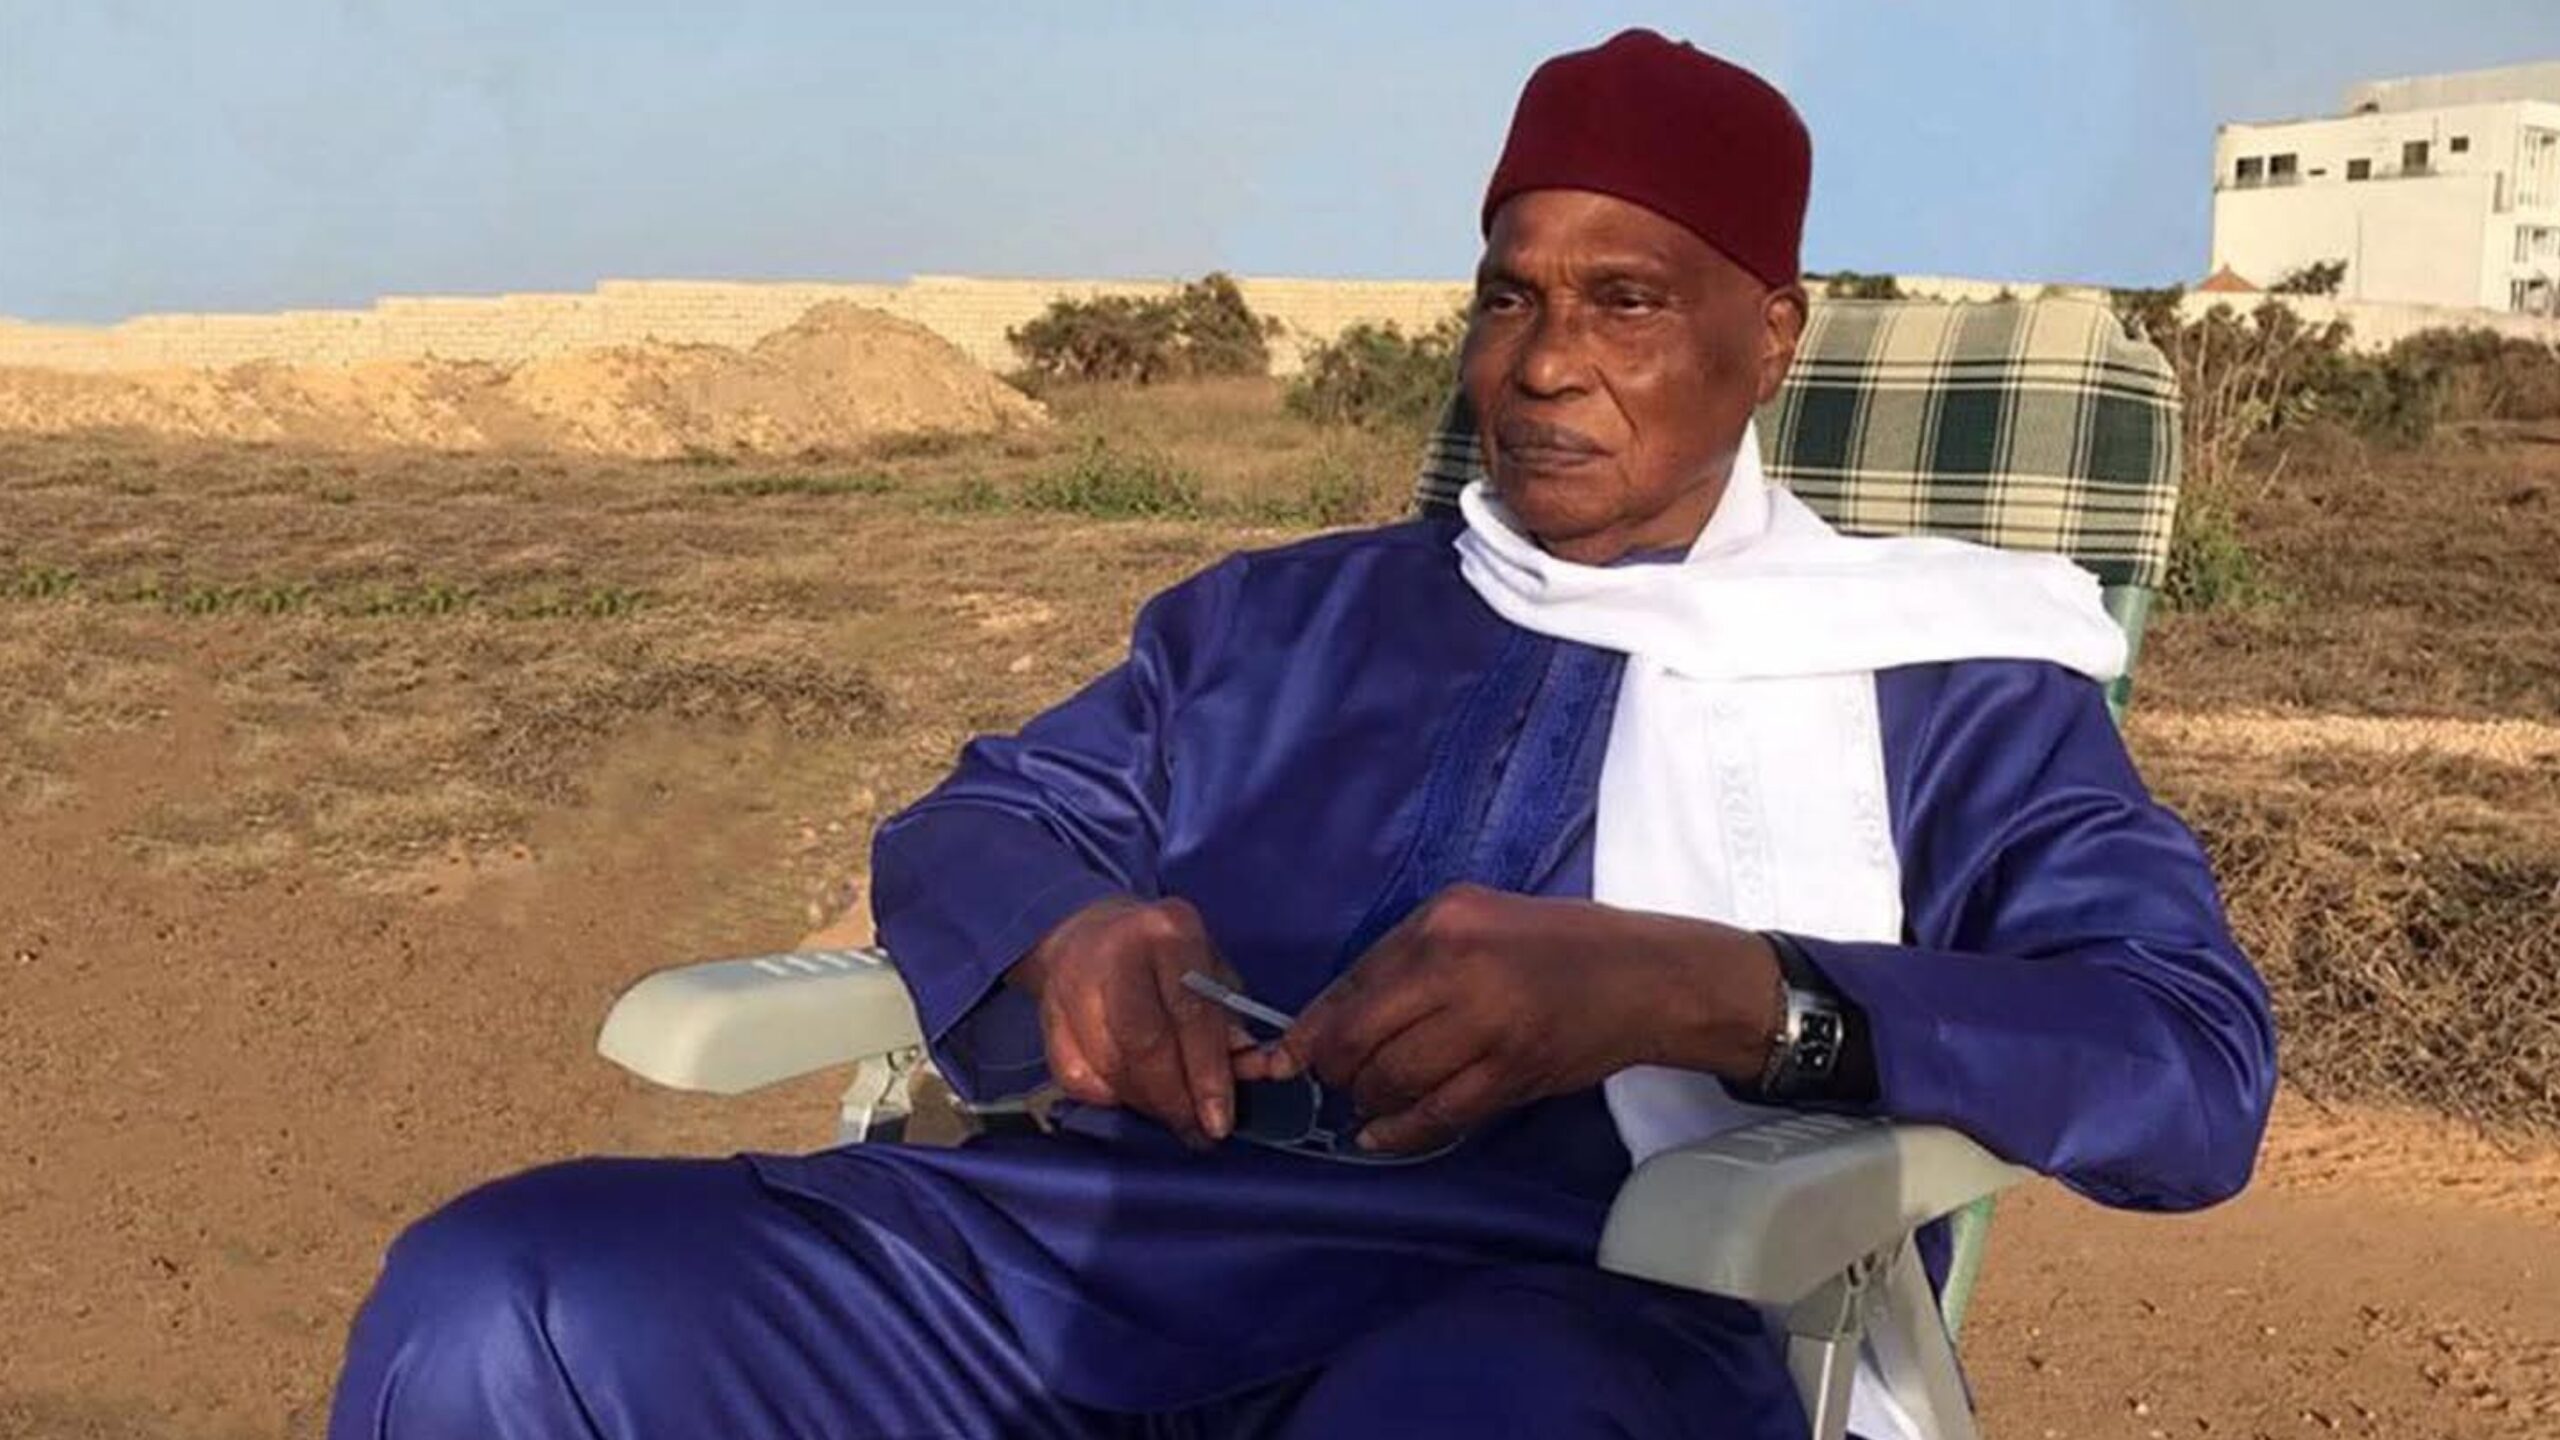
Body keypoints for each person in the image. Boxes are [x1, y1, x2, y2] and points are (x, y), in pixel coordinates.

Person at [328, 29, 2277, 1440]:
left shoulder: (1943, 679)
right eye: (1507, 298)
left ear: (1767, 336)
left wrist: (1709, 992)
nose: (1543, 363)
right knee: (513, 1297)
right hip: (1095, 1248)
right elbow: (987, 820)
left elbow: (2183, 1067)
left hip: (1562, 1303)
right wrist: (1067, 939)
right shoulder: (1274, 620)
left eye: (1623, 301)